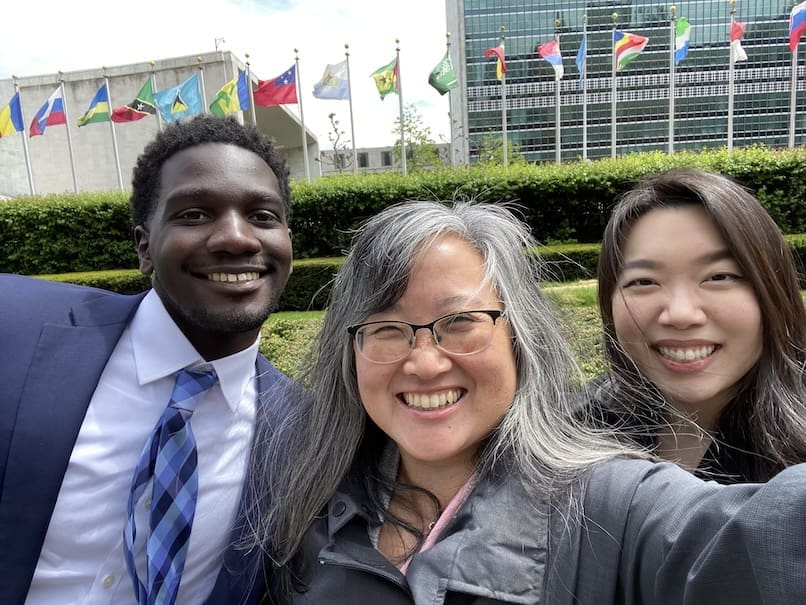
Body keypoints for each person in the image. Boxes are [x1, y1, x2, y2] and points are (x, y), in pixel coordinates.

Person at [245, 199, 806, 604]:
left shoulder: (611, 505)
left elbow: (752, 542)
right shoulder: (312, 503)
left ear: (520, 337)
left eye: (460, 321)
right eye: (386, 329)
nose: (423, 362)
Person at [0, 114, 294, 604]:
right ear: (144, 246)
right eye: (195, 214)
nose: (237, 238)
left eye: (263, 216)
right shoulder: (15, 327)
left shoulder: (305, 429)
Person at [592, 168, 806, 482]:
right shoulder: (578, 432)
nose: (680, 314)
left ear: (772, 290)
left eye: (719, 277)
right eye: (644, 281)